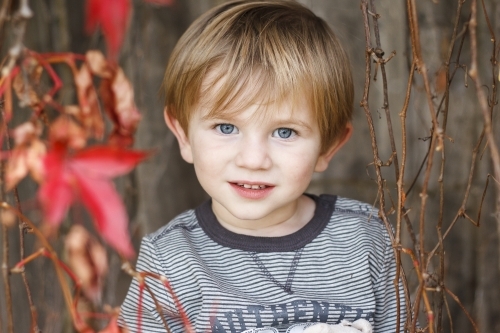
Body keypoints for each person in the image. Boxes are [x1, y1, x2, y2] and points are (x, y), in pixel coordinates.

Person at [119, 1, 407, 332]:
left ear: (328, 146)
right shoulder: (170, 259)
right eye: (226, 128)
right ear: (183, 135)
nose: (253, 160)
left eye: (285, 132)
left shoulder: (366, 237)